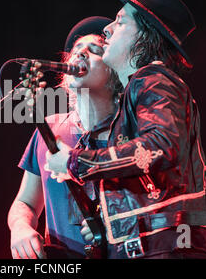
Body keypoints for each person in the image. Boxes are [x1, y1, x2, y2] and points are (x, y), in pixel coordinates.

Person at [46, 0, 206, 259]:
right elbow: (148, 184)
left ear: (143, 37)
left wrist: (76, 161)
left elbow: (160, 147)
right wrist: (107, 223)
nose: (108, 30)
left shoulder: (153, 79)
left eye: (120, 22)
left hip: (169, 248)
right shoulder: (140, 90)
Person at [7, 16, 122, 259]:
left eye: (94, 50)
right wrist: (20, 227)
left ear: (114, 73)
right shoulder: (50, 128)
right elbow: (25, 203)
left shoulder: (129, 133)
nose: (80, 54)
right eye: (76, 50)